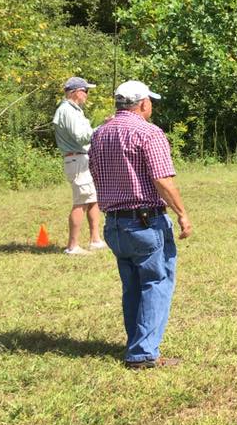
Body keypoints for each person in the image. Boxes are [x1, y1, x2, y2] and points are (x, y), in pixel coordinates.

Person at [89, 80, 193, 369]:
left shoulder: (99, 134)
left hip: (114, 225)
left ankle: (137, 343)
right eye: (151, 102)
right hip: (145, 223)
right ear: (143, 103)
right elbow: (162, 179)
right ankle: (143, 352)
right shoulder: (149, 132)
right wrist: (182, 213)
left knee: (132, 285)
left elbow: (95, 172)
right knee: (156, 283)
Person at [52, 76, 107, 255]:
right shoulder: (67, 111)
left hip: (81, 159)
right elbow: (82, 136)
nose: (87, 95)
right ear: (75, 92)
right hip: (76, 160)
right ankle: (72, 246)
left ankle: (95, 240)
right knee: (81, 202)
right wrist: (102, 128)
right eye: (86, 91)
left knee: (92, 199)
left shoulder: (74, 110)